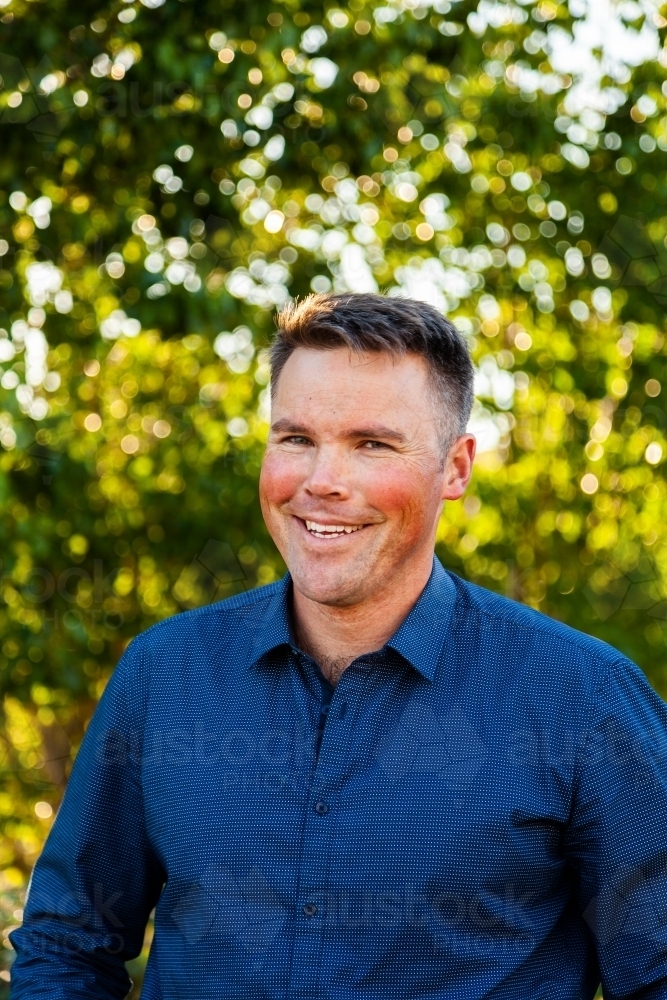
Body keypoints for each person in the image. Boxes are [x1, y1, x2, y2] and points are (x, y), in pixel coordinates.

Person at [9, 293, 667, 999]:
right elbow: (67, 945)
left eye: (371, 444)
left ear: (455, 468)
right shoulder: (164, 674)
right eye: (296, 439)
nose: (321, 482)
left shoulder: (582, 699)